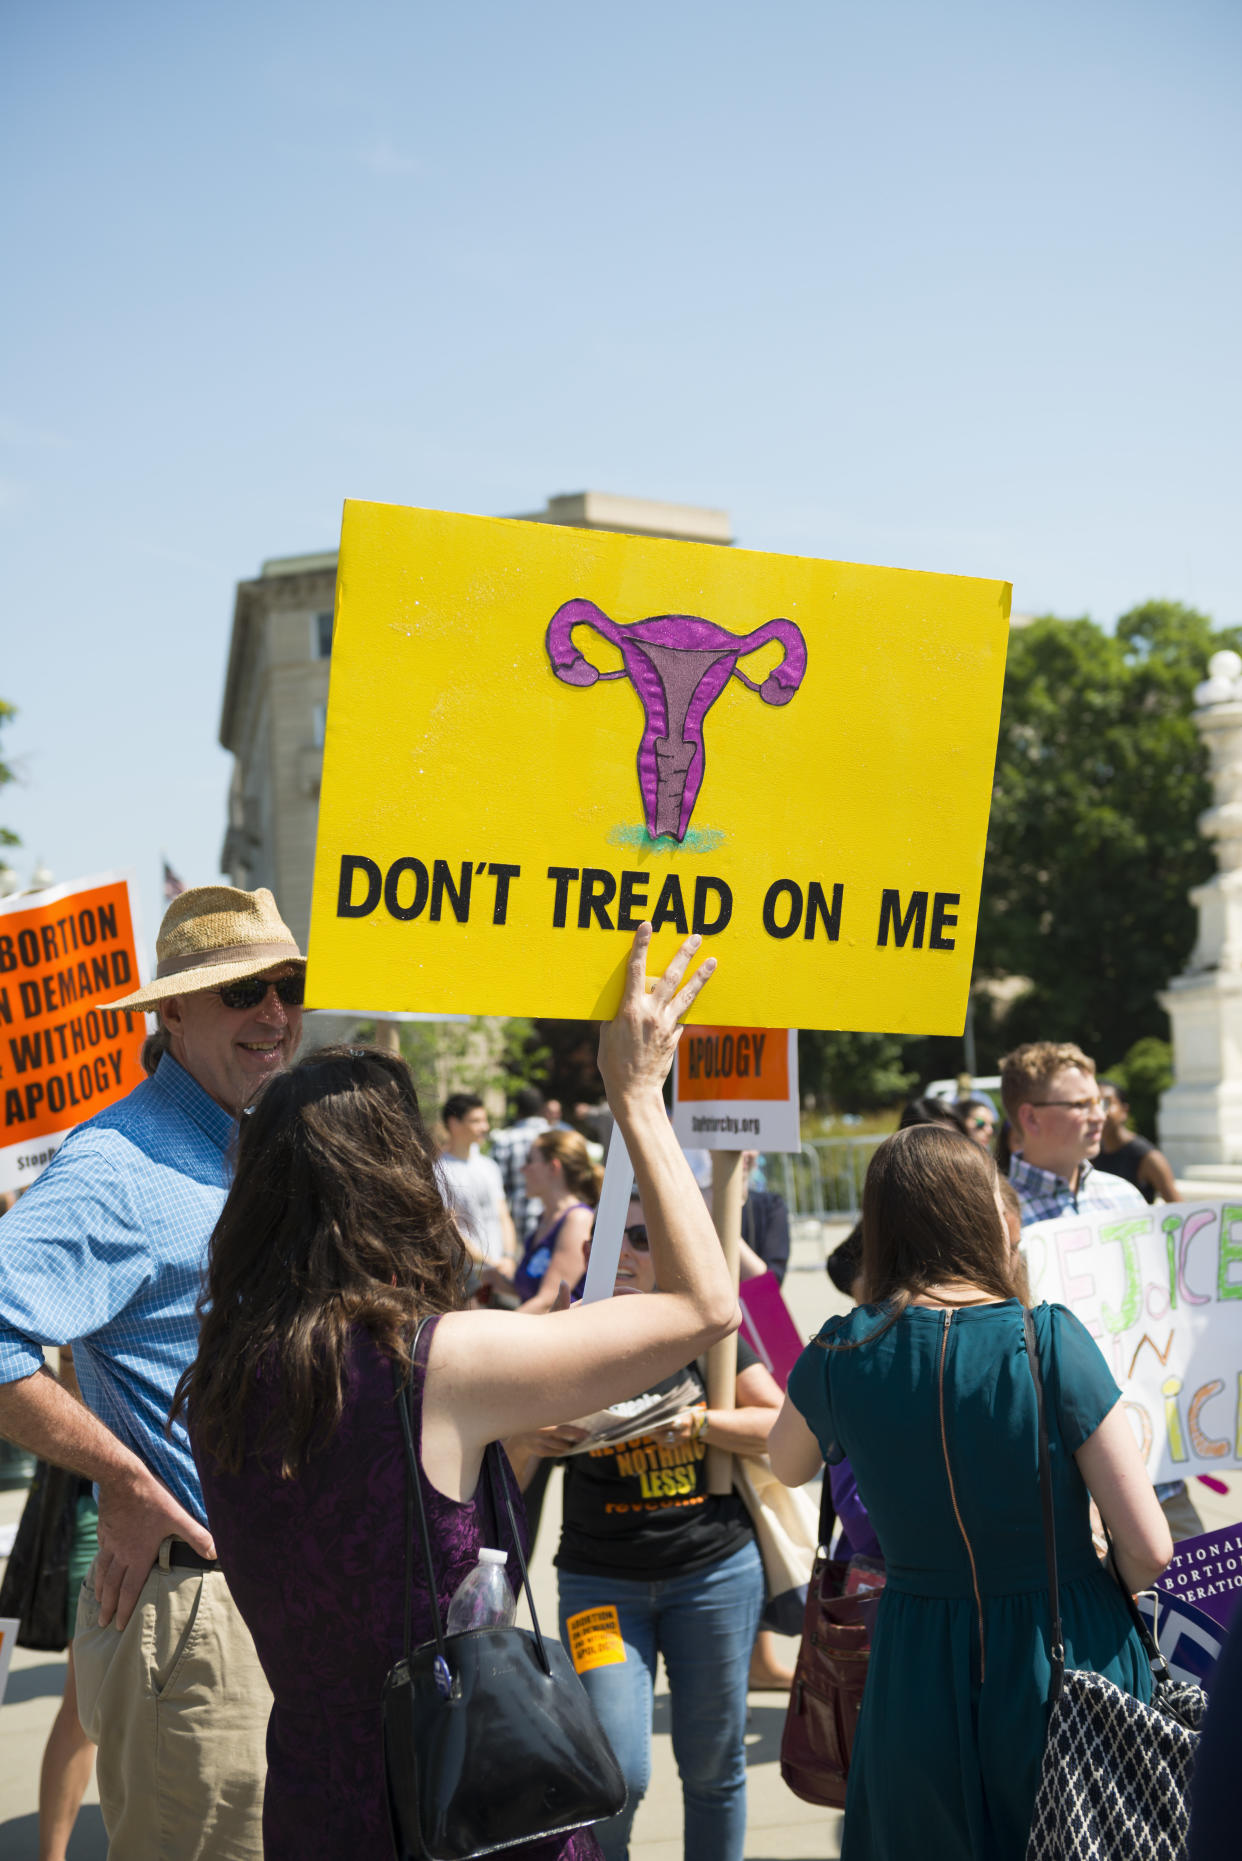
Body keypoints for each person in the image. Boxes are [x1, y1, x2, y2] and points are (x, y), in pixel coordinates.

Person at [176, 925, 738, 1861]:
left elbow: (391, 1527)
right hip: (460, 1799)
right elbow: (706, 1305)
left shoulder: (224, 1373)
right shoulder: (436, 1361)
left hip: (319, 1794)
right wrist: (637, 1096)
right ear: (395, 1181)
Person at [769, 1123, 1172, 1861]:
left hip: (917, 1651)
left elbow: (787, 1462)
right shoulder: (1048, 1336)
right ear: (986, 1214)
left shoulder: (840, 1348)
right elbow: (1149, 1547)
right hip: (1068, 1637)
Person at [0, 884, 303, 1860]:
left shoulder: (252, 1145)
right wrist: (122, 1479)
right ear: (171, 1009)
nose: (275, 1013)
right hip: (196, 1611)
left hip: (270, 1597)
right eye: (244, 989)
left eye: (288, 985)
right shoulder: (117, 1166)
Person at [509, 1194, 782, 1861]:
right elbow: (506, 1477)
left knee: (715, 1770)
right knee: (615, 1774)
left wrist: (695, 1422)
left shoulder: (705, 1330)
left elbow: (780, 1425)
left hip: (715, 1574)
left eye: (640, 1234)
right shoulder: (558, 1335)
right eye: (606, 1237)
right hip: (599, 1585)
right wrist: (530, 1433)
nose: (622, 1250)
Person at [1000, 1040, 1199, 1541]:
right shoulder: (992, 1213)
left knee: (1205, 1614)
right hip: (1063, 1488)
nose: (1098, 1115)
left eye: (1100, 1102)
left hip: (1158, 1471)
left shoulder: (1123, 1195)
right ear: (1030, 1116)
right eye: (1081, 1104)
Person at [484, 1129, 602, 1314]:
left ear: (553, 1167)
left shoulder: (577, 1219)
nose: (523, 1169)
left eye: (530, 1160)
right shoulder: (546, 1218)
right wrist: (499, 1282)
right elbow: (535, 1290)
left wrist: (490, 1337)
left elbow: (548, 1300)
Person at [437, 1092, 518, 1268]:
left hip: (500, 1268)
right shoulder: (439, 1170)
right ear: (454, 1123)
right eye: (476, 1121)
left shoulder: (489, 1166)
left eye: (485, 1120)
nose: (485, 1127)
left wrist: (508, 1257)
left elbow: (503, 1215)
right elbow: (450, 1227)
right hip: (467, 1271)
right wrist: (486, 1261)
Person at [1095, 1078, 1180, 1204]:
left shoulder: (1148, 1157)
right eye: (1094, 1104)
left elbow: (1177, 1206)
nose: (1100, 1112)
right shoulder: (1091, 1152)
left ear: (1124, 1110)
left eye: (1106, 1103)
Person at [489, 1086, 551, 1238]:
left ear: (518, 1111)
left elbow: (496, 1188)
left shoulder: (504, 1140)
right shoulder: (559, 1136)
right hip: (554, 1220)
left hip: (516, 1224)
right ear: (542, 1109)